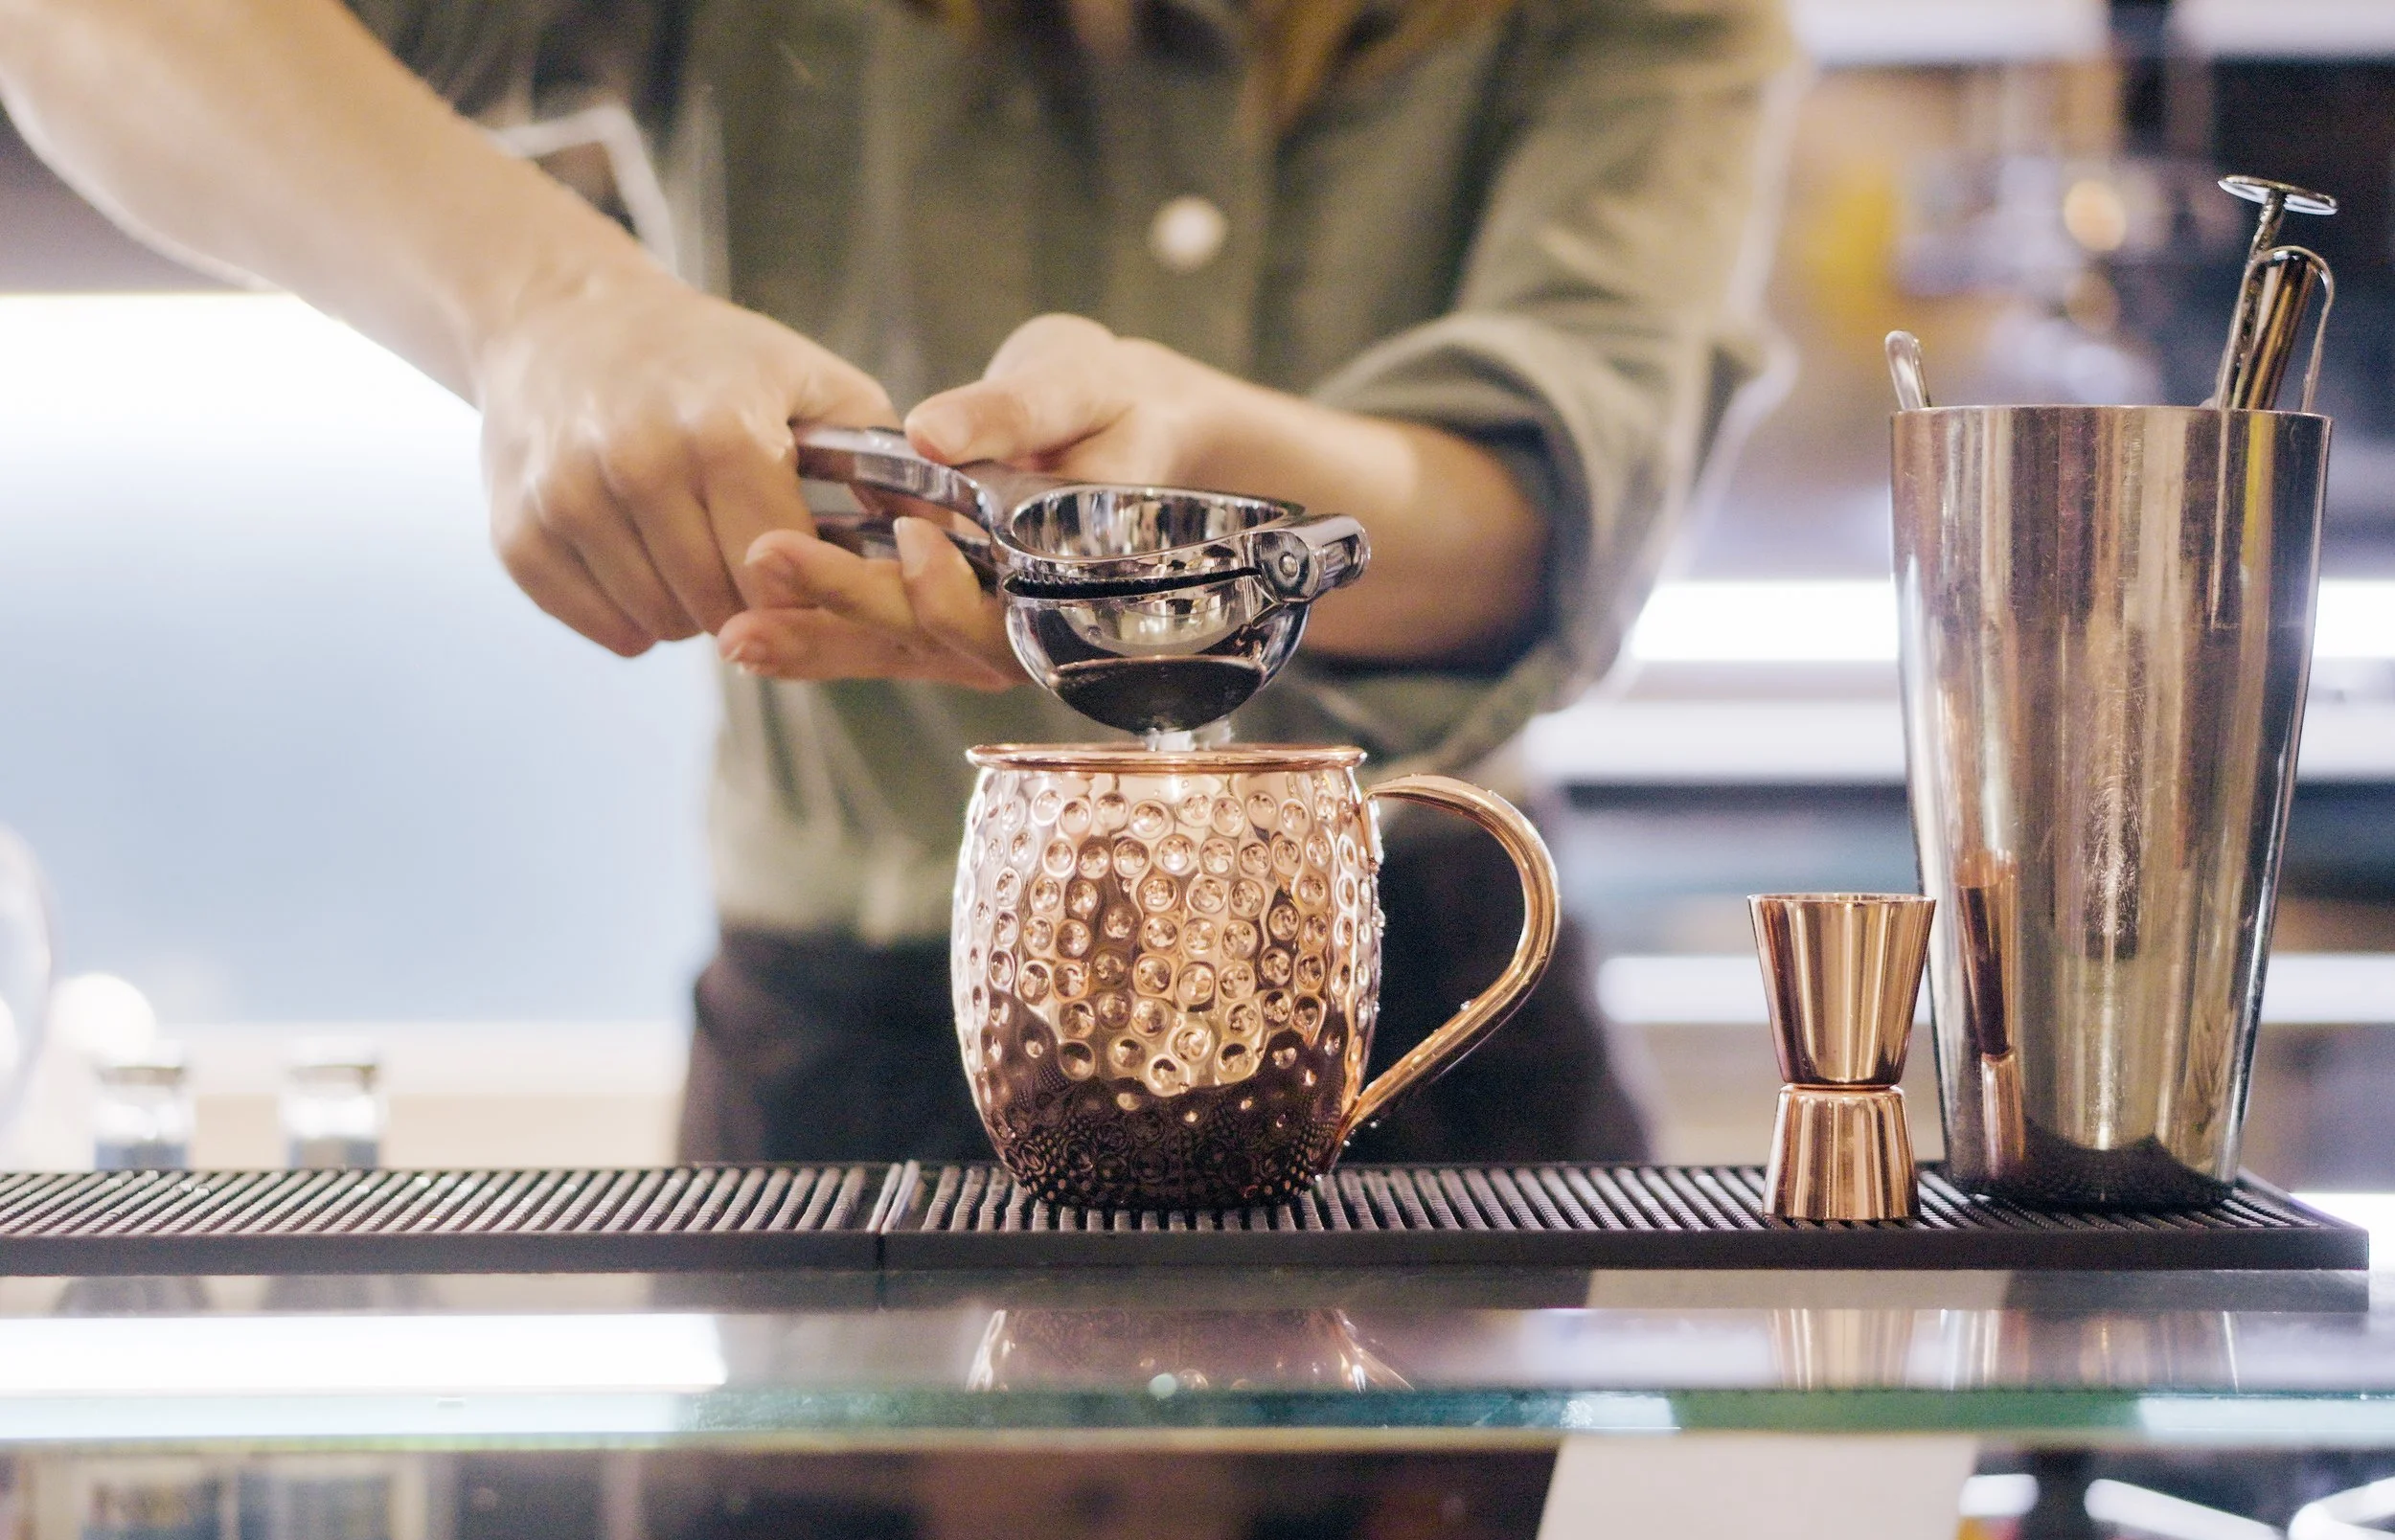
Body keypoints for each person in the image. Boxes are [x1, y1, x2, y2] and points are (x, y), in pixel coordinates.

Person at [0, 0, 1795, 1169]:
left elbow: (1549, 502)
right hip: (844, 1076)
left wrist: (1220, 475)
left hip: (1430, 1068)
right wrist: (544, 298)